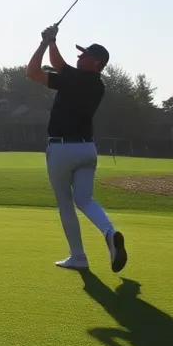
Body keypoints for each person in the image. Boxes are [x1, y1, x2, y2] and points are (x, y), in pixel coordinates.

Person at [27, 25, 127, 273]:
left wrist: (49, 41)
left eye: (84, 55)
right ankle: (109, 233)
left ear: (96, 63)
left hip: (62, 149)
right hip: (87, 150)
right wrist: (47, 43)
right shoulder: (92, 84)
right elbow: (35, 73)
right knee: (85, 199)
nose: (79, 56)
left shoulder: (81, 78)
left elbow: (47, 66)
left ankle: (78, 256)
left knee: (65, 203)